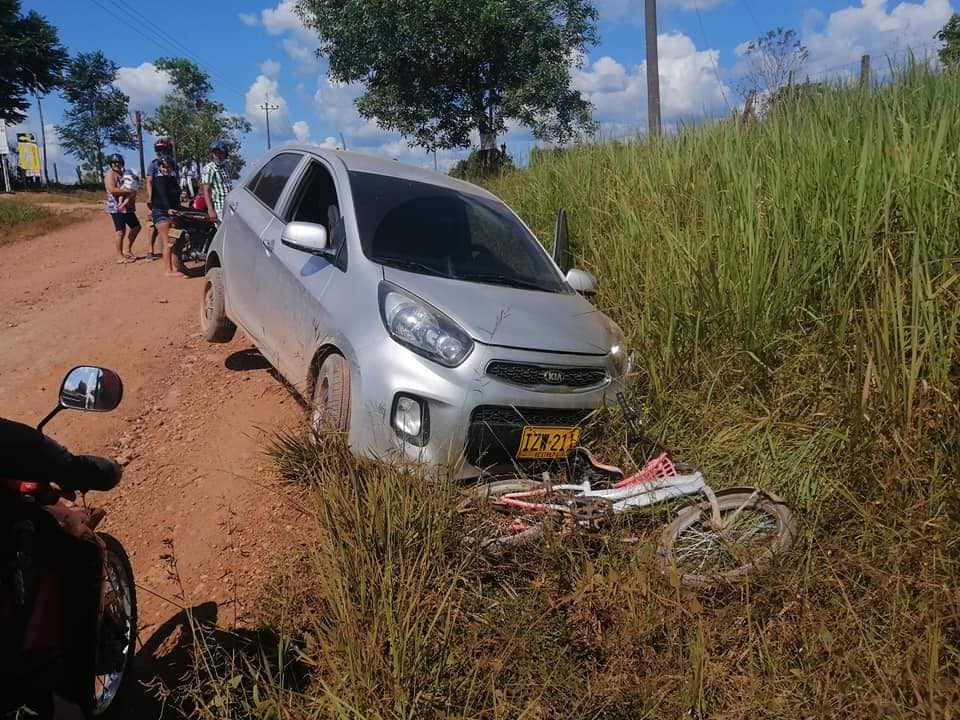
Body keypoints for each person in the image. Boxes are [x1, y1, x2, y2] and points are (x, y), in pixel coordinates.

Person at [149, 157, 185, 278]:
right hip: (162, 213)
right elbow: (163, 196)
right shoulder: (159, 180)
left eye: (168, 166)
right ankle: (168, 270)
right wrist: (168, 208)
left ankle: (174, 267)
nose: (166, 169)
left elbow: (176, 195)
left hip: (173, 213)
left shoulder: (173, 179)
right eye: (163, 166)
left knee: (174, 241)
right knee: (167, 242)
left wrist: (182, 195)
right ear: (160, 167)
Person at [145, 137, 179, 261]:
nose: (162, 152)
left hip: (170, 198)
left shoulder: (173, 164)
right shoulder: (153, 164)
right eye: (159, 150)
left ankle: (177, 253)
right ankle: (150, 250)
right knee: (153, 223)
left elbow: (176, 180)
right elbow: (149, 181)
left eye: (164, 149)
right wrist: (150, 197)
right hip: (157, 198)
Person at [103, 154, 140, 264]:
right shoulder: (110, 174)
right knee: (120, 231)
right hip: (116, 207)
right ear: (111, 163)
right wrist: (128, 191)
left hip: (127, 207)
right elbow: (112, 189)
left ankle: (127, 249)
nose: (116, 164)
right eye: (114, 162)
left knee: (136, 227)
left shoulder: (123, 173)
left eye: (118, 162)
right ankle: (119, 256)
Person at [201, 140, 232, 224]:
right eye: (215, 153)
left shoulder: (227, 166)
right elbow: (206, 190)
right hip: (220, 207)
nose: (218, 156)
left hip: (231, 205)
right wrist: (210, 209)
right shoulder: (209, 168)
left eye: (221, 153)